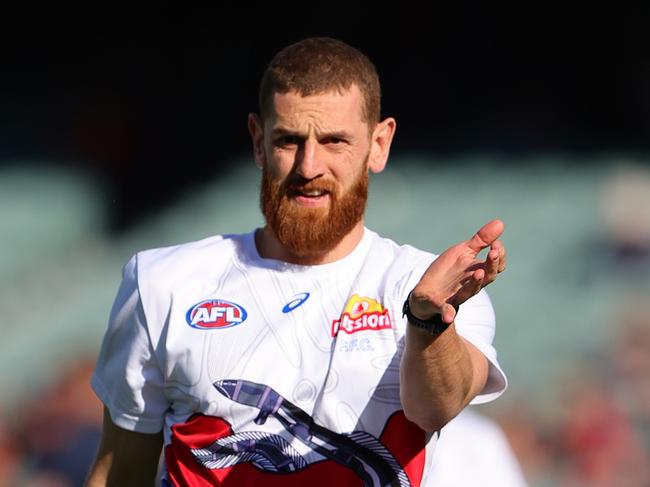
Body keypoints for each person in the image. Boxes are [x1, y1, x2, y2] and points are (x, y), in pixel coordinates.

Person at [86, 37, 508, 486]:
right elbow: (119, 470)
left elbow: (436, 408)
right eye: (289, 140)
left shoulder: (426, 288)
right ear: (258, 141)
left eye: (334, 141)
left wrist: (427, 322)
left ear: (379, 144)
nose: (309, 166)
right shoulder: (162, 283)